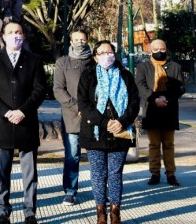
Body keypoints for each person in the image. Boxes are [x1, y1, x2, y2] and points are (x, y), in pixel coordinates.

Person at [0, 21, 47, 224]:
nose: (15, 35)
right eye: (11, 32)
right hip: (3, 123)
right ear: (3, 35)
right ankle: (3, 210)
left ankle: (30, 211)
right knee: (2, 171)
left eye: (18, 32)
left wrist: (23, 111)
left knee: (29, 172)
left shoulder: (34, 60)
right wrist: (6, 112)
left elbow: (39, 90)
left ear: (24, 36)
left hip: (26, 122)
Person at [78, 40, 139, 224]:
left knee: (115, 173)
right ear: (95, 57)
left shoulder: (125, 75)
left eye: (110, 52)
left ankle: (115, 212)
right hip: (95, 131)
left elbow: (134, 102)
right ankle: (100, 213)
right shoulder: (88, 76)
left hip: (120, 131)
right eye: (102, 53)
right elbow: (84, 104)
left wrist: (121, 121)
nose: (107, 55)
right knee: (98, 173)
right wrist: (104, 122)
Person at [135, 39, 185, 187]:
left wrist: (166, 98)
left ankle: (171, 174)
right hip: (152, 110)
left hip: (169, 110)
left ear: (166, 49)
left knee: (169, 144)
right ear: (150, 50)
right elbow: (140, 85)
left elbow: (180, 87)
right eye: (156, 49)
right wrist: (155, 98)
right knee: (154, 145)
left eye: (162, 49)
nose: (159, 52)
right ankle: (154, 174)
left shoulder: (175, 67)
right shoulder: (143, 67)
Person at [52, 30, 94, 206]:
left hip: (94, 116)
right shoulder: (63, 62)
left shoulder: (95, 61)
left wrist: (90, 109)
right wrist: (77, 106)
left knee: (97, 156)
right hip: (72, 116)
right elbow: (58, 89)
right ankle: (70, 191)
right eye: (76, 39)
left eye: (83, 39)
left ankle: (100, 190)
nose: (80, 42)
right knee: (72, 155)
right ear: (70, 41)